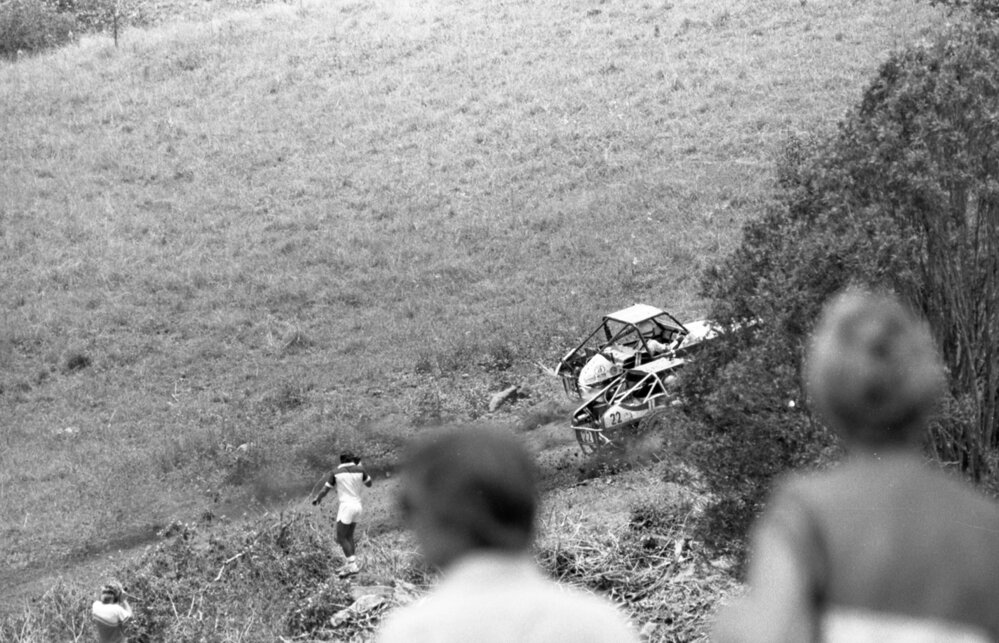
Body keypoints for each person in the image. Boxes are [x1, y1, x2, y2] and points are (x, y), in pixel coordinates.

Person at [713, 290, 999, 642]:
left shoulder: (806, 515)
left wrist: (729, 626)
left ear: (829, 392)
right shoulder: (987, 526)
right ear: (924, 388)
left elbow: (770, 634)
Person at [374, 427, 641, 643]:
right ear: (528, 508)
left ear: (441, 517)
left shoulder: (410, 633)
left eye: (408, 509)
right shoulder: (598, 623)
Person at [312, 452, 372, 577]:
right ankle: (351, 563)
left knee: (340, 537)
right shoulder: (360, 470)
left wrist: (317, 499)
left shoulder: (335, 472)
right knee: (349, 536)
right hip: (357, 506)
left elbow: (325, 490)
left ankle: (352, 566)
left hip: (346, 507)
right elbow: (369, 484)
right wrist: (360, 465)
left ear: (341, 461)